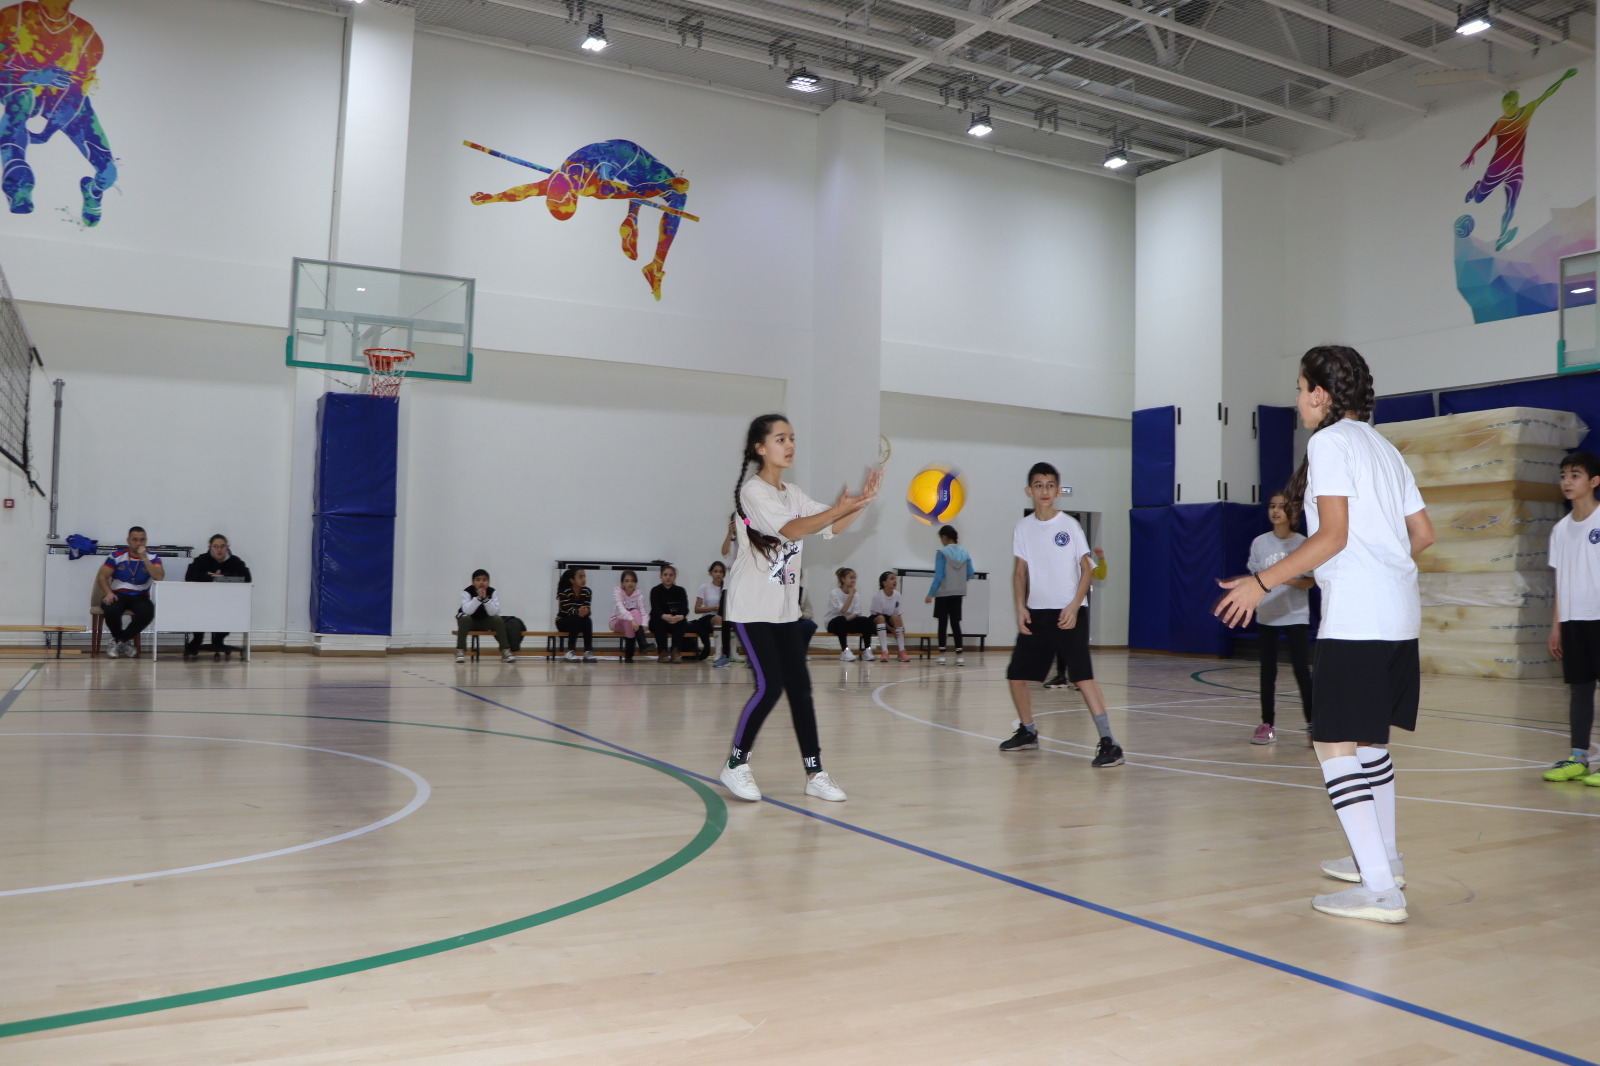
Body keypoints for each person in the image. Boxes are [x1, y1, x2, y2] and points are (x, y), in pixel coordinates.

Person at [1215, 345, 1433, 925]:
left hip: (1357, 622)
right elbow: (1422, 534)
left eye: (1298, 387)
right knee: (1371, 744)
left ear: (1320, 394)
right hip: (1399, 616)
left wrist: (1262, 583)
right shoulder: (1385, 448)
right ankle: (1384, 859)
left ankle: (1380, 889)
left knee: (1333, 745)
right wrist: (1352, 571)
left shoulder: (1330, 443)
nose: (1295, 399)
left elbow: (1333, 534)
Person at [719, 412, 880, 803]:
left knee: (801, 690)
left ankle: (815, 772)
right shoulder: (753, 492)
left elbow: (830, 526)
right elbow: (792, 529)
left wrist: (861, 502)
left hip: (785, 611)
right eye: (780, 439)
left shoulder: (794, 494)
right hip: (751, 607)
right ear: (760, 448)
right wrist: (838, 509)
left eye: (792, 438)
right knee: (770, 686)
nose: (789, 445)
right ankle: (736, 764)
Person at [998, 464, 1124, 769]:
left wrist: (1074, 605)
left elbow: (1087, 569)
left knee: (1083, 677)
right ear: (1029, 490)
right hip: (1036, 615)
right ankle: (1028, 731)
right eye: (1038, 485)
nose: (1045, 491)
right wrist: (1021, 607)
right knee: (1016, 675)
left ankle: (1110, 743)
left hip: (1070, 613)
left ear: (1058, 490)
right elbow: (1019, 573)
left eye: (1050, 485)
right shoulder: (1022, 528)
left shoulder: (1070, 526)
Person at [471, 139, 690, 300]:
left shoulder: (552, 184)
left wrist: (491, 198)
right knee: (676, 196)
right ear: (572, 197)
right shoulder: (592, 188)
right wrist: (668, 185)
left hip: (627, 158)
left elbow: (520, 193)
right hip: (629, 158)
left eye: (553, 198)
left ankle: (635, 221)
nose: (555, 192)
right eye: (558, 198)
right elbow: (635, 192)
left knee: (646, 185)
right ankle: (653, 259)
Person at [0, 0, 117, 225]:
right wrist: (34, 76)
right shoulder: (13, 18)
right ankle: (16, 176)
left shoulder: (87, 37)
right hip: (21, 88)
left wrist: (48, 132)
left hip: (64, 100)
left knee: (108, 173)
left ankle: (93, 192)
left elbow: (77, 92)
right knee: (22, 100)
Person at [1460, 68, 1577, 252]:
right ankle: (1477, 188)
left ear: (1516, 103)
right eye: (1505, 107)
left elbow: (1546, 94)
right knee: (1479, 199)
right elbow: (1485, 139)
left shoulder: (1526, 111)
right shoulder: (1500, 123)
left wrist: (1563, 78)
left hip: (1516, 167)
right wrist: (1472, 153)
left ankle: (1502, 235)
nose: (1507, 110)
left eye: (1510, 106)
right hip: (1497, 167)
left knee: (1511, 203)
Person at [1542, 451, 1600, 785]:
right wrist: (1556, 627)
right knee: (1579, 692)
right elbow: (1560, 581)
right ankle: (1579, 758)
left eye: (1575, 475)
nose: (1567, 481)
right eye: (1564, 475)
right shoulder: (1560, 530)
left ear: (1594, 481)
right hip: (1573, 621)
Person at [1248, 494, 1316, 746]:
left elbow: (1309, 581)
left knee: (1301, 670)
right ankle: (1267, 725)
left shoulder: (1303, 544)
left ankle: (1314, 725)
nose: (1276, 511)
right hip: (1267, 614)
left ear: (1293, 513)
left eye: (1282, 507)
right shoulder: (1260, 543)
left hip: (1295, 614)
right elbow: (1256, 579)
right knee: (1268, 671)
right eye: (1272, 506)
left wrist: (1282, 577)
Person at [95, 526, 163, 658]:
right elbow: (102, 576)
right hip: (118, 594)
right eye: (135, 540)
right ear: (128, 540)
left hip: (140, 596)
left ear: (146, 541)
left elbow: (159, 576)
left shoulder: (153, 557)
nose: (139, 543)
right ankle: (123, 642)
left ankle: (118, 641)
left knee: (147, 613)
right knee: (111, 609)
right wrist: (109, 593)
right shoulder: (116, 556)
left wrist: (145, 558)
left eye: (142, 540)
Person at [182, 533, 251, 661]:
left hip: (227, 602)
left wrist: (224, 577)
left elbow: (246, 578)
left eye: (223, 546)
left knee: (230, 609)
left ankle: (219, 640)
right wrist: (211, 577)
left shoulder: (235, 561)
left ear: (227, 547)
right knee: (197, 609)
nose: (219, 549)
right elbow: (189, 576)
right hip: (203, 601)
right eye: (216, 546)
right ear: (210, 548)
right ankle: (197, 639)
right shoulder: (202, 560)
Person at [1046, 546, 1104, 689]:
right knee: (1060, 642)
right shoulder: (1057, 559)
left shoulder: (1082, 558)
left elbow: (1100, 574)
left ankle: (1079, 678)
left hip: (1076, 607)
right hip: (1058, 605)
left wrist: (1101, 558)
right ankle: (1061, 676)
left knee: (1076, 644)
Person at [925, 524, 974, 666]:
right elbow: (971, 572)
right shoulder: (965, 553)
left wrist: (930, 593)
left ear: (944, 537)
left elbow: (939, 575)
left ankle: (942, 655)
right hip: (958, 592)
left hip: (943, 592)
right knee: (955, 622)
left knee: (943, 623)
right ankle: (960, 656)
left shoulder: (942, 552)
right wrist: (960, 581)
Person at [456, 569, 515, 664]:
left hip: (485, 622)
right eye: (478, 580)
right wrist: (478, 598)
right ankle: (460, 650)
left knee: (498, 619)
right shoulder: (467, 592)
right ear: (473, 582)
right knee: (465, 618)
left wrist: (486, 600)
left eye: (484, 580)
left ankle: (505, 650)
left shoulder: (492, 592)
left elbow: (494, 612)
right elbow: (467, 611)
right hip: (470, 622)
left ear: (488, 582)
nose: (481, 582)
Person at [823, 567, 875, 662]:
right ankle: (845, 651)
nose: (853, 580)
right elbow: (843, 610)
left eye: (855, 578)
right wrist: (851, 595)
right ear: (843, 579)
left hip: (847, 620)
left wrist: (845, 619)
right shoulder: (835, 592)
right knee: (840, 620)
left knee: (866, 620)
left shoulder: (856, 594)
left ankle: (867, 650)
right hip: (833, 623)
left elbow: (856, 613)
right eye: (851, 577)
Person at [692, 561, 733, 666]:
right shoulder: (704, 587)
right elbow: (697, 609)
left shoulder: (727, 588)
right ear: (710, 573)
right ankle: (718, 653)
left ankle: (732, 653)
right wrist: (713, 608)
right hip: (708, 617)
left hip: (724, 617)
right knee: (718, 618)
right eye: (715, 571)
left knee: (732, 621)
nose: (718, 574)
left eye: (720, 572)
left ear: (724, 574)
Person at [649, 564, 691, 663]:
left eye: (671, 575)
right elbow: (655, 608)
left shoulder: (680, 590)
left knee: (682, 622)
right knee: (659, 622)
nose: (668, 577)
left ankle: (675, 651)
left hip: (675, 620)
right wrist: (664, 616)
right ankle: (663, 652)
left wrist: (680, 616)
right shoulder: (655, 590)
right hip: (660, 619)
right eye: (665, 575)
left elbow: (685, 607)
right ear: (661, 576)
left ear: (674, 577)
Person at [555, 567, 596, 662]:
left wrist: (586, 611)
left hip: (578, 621)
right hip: (563, 621)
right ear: (572, 580)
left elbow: (587, 608)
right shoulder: (564, 592)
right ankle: (570, 651)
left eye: (584, 576)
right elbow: (566, 610)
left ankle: (588, 651)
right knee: (575, 618)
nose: (583, 579)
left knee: (587, 620)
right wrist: (578, 611)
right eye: (580, 577)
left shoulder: (587, 591)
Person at [870, 571, 910, 662]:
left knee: (896, 618)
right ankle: (885, 651)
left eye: (895, 578)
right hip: (877, 621)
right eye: (892, 579)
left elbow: (898, 614)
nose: (895, 581)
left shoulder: (897, 595)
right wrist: (891, 629)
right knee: (881, 618)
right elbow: (879, 615)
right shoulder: (878, 595)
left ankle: (901, 651)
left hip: (890, 619)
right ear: (884, 583)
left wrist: (902, 628)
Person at [611, 570, 649, 663]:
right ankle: (641, 644)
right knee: (630, 617)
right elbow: (621, 610)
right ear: (622, 583)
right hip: (617, 622)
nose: (630, 583)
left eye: (632, 581)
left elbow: (643, 612)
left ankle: (629, 655)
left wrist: (644, 624)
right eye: (627, 581)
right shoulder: (618, 593)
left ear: (636, 583)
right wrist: (632, 620)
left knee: (635, 612)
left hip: (633, 625)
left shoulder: (639, 595)